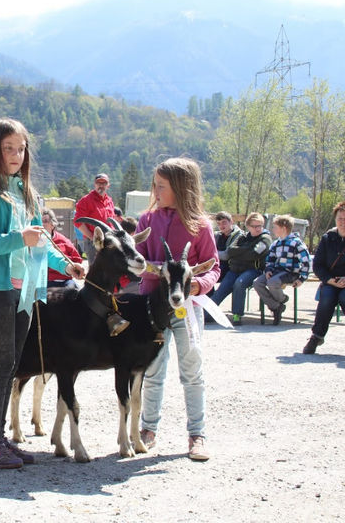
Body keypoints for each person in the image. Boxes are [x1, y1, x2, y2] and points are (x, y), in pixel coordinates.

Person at [0, 118, 85, 469]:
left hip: (26, 289)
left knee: (13, 365)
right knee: (1, 364)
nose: (16, 155)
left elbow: (40, 245)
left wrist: (68, 266)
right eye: (8, 148)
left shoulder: (27, 192)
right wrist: (19, 238)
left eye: (21, 148)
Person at [135, 157, 220, 462]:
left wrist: (198, 285)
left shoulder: (200, 225)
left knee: (191, 370)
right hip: (153, 307)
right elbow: (138, 262)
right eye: (154, 185)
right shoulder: (147, 220)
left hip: (188, 307)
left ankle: (197, 434)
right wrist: (167, 271)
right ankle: (147, 429)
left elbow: (214, 266)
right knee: (154, 369)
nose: (155, 190)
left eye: (161, 186)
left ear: (181, 188)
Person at [303, 202, 345, 355]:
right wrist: (328, 279)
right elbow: (317, 264)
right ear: (335, 220)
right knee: (328, 294)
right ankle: (317, 336)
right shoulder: (327, 238)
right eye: (340, 218)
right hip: (333, 281)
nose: (343, 222)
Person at [209, 212, 271, 325]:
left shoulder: (265, 239)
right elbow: (231, 250)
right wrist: (247, 249)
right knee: (222, 289)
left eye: (260, 226)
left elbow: (254, 254)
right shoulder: (243, 237)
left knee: (239, 283)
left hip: (253, 270)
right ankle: (208, 314)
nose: (258, 229)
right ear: (248, 226)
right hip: (235, 269)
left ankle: (237, 315)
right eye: (254, 226)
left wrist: (241, 251)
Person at [252, 214, 310, 325]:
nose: (273, 230)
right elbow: (270, 260)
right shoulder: (276, 244)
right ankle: (277, 306)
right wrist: (268, 270)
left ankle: (282, 299)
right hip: (276, 272)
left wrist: (302, 278)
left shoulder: (296, 243)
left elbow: (306, 261)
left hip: (291, 272)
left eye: (275, 227)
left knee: (272, 282)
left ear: (283, 228)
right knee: (257, 283)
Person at [73, 172, 116, 265]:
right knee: (95, 271)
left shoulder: (109, 200)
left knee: (109, 269)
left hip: (109, 241)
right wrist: (92, 237)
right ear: (94, 184)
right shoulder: (86, 200)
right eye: (98, 183)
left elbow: (112, 221)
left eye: (104, 183)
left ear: (108, 185)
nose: (101, 186)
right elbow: (78, 222)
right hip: (93, 243)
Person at [41, 208, 83, 288]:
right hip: (44, 281)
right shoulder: (34, 241)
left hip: (65, 281)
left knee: (74, 291)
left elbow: (77, 260)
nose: (42, 224)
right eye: (40, 222)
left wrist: (68, 264)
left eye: (45, 221)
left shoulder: (64, 241)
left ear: (52, 224)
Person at [213, 211, 242, 282]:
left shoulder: (239, 235)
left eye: (224, 222)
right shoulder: (217, 235)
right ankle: (211, 293)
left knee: (208, 275)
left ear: (231, 222)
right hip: (217, 264)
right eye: (219, 224)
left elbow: (226, 255)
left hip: (231, 268)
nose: (221, 226)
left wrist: (211, 253)